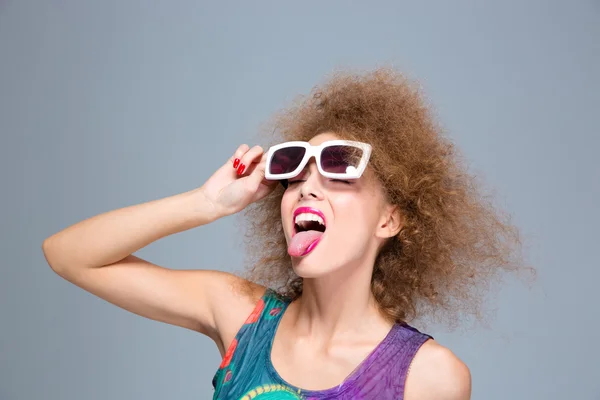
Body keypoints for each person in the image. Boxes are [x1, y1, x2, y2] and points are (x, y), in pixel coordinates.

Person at [42, 68, 524, 399]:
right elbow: (67, 255)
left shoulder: (429, 377)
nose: (307, 187)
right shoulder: (240, 316)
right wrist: (204, 204)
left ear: (390, 220)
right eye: (296, 173)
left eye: (338, 171)